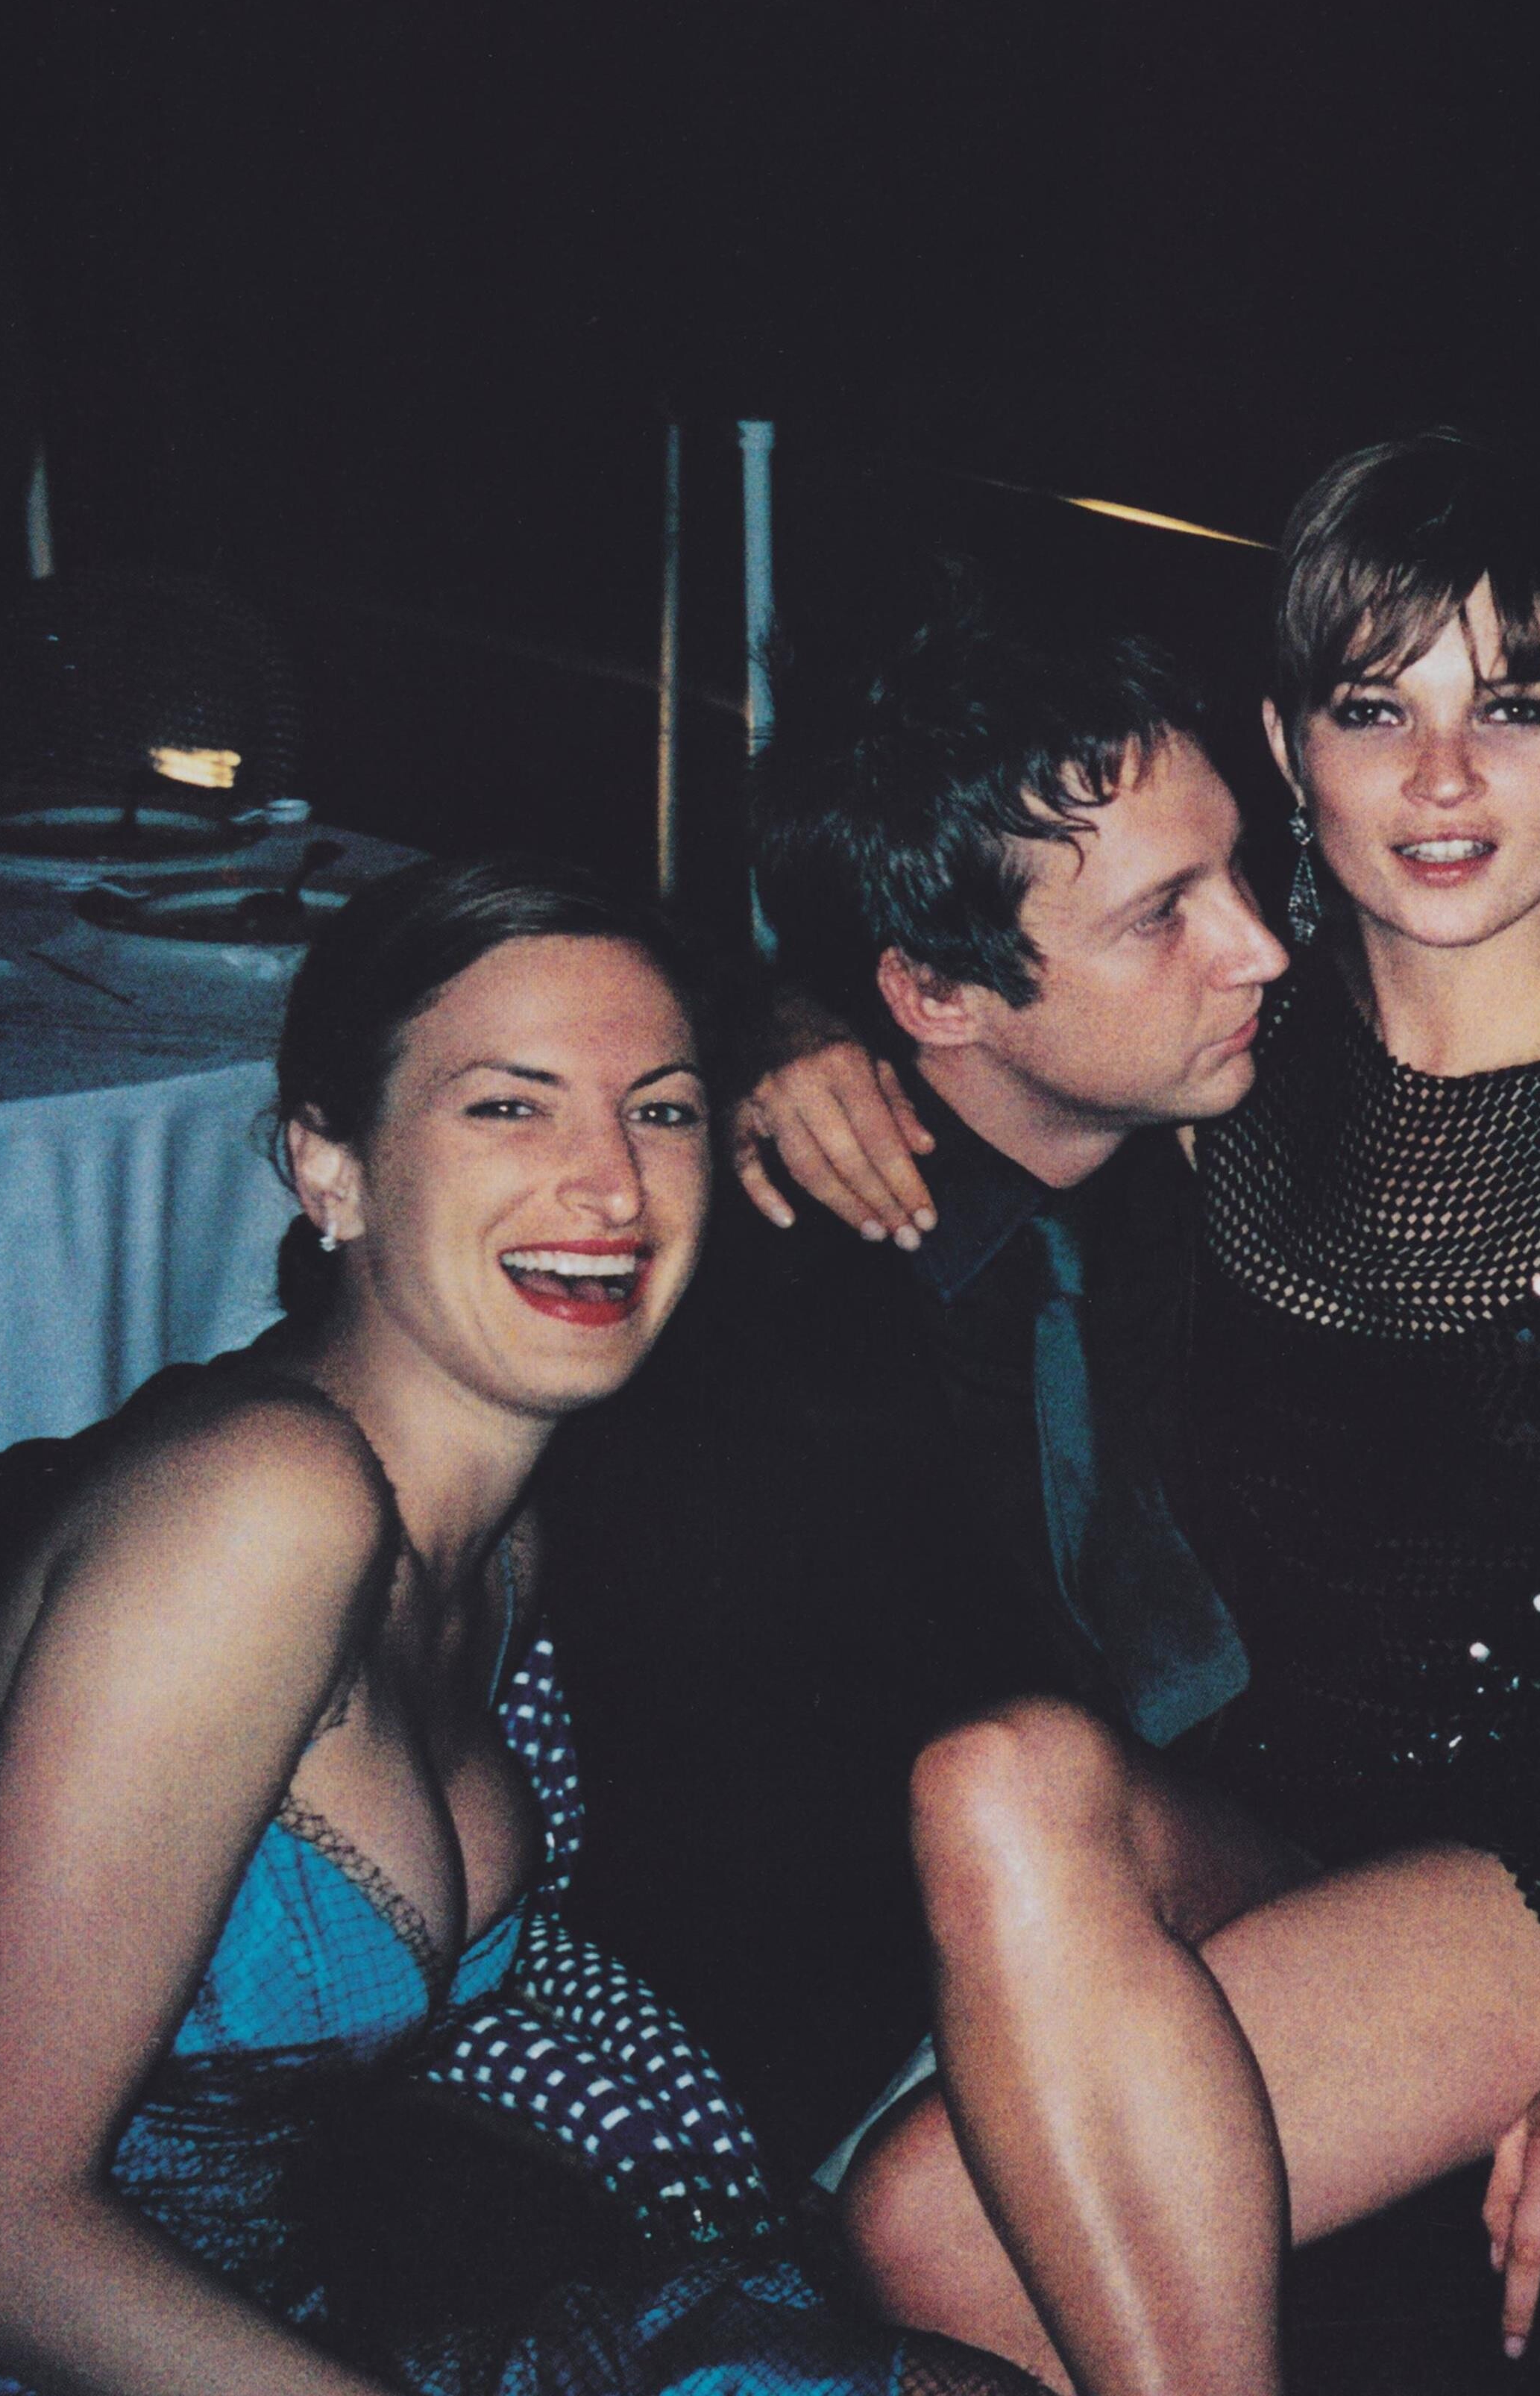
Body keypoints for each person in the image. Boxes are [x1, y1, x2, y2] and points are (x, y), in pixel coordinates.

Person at [744, 436, 1540, 2394]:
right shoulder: (1235, 1051)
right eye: (1374, 709)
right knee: (990, 1806)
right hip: (1280, 1823)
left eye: (1511, 707)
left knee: (935, 2228)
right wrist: (786, 1028)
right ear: (1285, 745)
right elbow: (981, 1010)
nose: (1443, 779)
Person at [0, 853, 1040, 2396]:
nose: (611, 1184)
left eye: (661, 1110)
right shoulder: (261, 1506)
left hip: (272, 2316)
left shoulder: (502, 1534)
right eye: (508, 1106)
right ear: (329, 1168)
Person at [533, 598, 1288, 2185]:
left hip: (1205, 1876)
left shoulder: (1181, 1155)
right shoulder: (754, 1337)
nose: (1260, 946)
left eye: (1237, 868)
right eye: (1165, 914)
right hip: (893, 2051)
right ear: (938, 996)